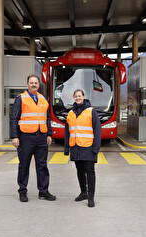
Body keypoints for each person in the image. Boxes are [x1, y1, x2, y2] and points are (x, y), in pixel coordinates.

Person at [10, 74, 56, 202]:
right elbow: (14, 118)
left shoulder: (43, 99)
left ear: (38, 85)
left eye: (36, 83)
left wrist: (49, 134)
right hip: (26, 137)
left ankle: (43, 191)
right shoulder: (21, 98)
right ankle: (22, 191)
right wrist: (14, 136)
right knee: (24, 165)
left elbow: (47, 118)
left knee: (42, 165)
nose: (34, 85)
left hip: (41, 137)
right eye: (31, 82)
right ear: (27, 84)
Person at [64, 89, 101, 207]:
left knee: (90, 172)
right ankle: (83, 193)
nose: (78, 98)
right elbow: (67, 132)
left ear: (84, 97)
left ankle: (91, 197)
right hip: (75, 147)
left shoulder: (91, 111)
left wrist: (96, 148)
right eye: (76, 96)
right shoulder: (70, 113)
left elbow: (97, 130)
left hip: (88, 147)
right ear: (73, 98)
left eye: (79, 96)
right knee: (79, 171)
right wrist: (66, 149)